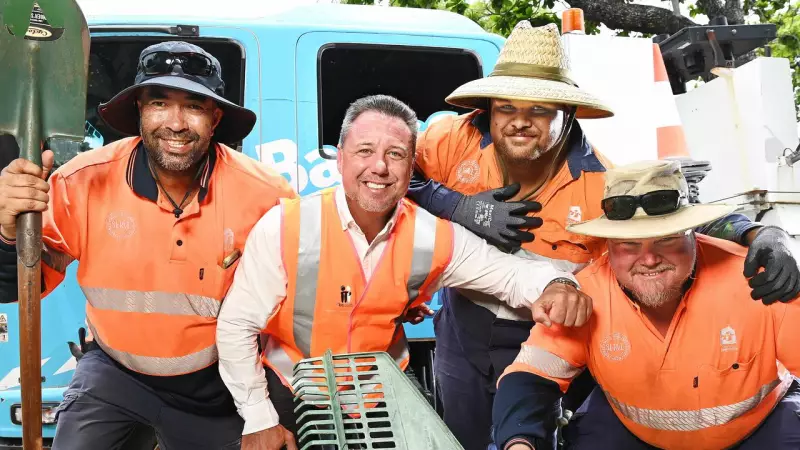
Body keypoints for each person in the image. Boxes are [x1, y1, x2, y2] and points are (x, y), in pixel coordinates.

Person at [406, 21, 800, 449]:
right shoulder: (451, 139)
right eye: (506, 107)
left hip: (553, 324)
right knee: (459, 434)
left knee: (543, 428)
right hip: (463, 324)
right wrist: (457, 206)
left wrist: (757, 232)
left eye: (539, 110)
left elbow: (672, 224)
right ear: (489, 108)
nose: (519, 122)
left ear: (567, 113)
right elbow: (387, 174)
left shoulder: (600, 185)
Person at [215, 94, 595, 450]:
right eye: (365, 151)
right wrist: (259, 418)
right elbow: (237, 326)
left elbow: (509, 273)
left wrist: (557, 284)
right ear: (340, 159)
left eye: (395, 154)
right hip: (293, 387)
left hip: (382, 393)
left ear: (411, 165)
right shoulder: (286, 227)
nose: (379, 167)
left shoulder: (431, 235)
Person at [0, 41, 296, 449]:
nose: (175, 123)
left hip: (220, 387)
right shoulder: (83, 181)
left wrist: (266, 412)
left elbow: (293, 319)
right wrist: (7, 232)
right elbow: (17, 286)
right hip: (114, 375)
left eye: (193, 106)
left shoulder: (267, 196)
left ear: (215, 118)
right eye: (159, 103)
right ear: (139, 109)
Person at [492, 160, 800, 450]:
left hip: (761, 426)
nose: (649, 259)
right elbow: (531, 377)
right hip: (635, 433)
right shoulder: (586, 293)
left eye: (666, 239)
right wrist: (520, 444)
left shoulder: (758, 280)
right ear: (608, 245)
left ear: (693, 234)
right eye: (629, 244)